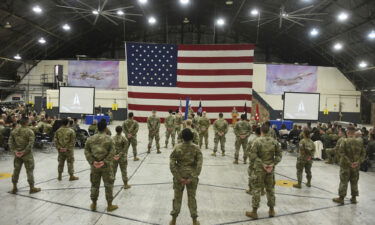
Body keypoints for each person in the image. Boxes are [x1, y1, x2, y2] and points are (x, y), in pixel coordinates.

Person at [246, 124, 282, 219]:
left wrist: (263, 164)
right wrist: (272, 164)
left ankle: (254, 212)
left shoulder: (257, 141)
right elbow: (279, 155)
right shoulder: (274, 142)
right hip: (270, 170)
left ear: (261, 131)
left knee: (257, 189)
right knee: (270, 190)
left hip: (259, 169)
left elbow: (253, 156)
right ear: (269, 131)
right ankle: (271, 210)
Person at [169, 128, 203, 225]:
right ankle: (194, 221)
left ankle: (173, 220)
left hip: (179, 176)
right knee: (192, 198)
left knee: (177, 198)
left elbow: (172, 164)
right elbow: (199, 165)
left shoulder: (177, 147)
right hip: (192, 177)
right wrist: (192, 178)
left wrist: (179, 177)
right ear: (192, 137)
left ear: (182, 137)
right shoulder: (196, 148)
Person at [84, 120, 118, 212]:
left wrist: (93, 162)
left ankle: (94, 204)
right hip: (106, 167)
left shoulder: (90, 139)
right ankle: (109, 205)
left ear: (97, 127)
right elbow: (113, 152)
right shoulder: (109, 139)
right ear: (105, 128)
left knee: (94, 185)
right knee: (108, 185)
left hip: (95, 166)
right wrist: (105, 162)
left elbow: (86, 151)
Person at [332, 126, 366, 204]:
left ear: (347, 132)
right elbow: (363, 153)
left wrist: (349, 163)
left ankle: (341, 198)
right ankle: (354, 198)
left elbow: (341, 153)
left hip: (346, 166)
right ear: (354, 133)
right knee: (354, 181)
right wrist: (358, 162)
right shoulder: (360, 141)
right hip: (356, 166)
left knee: (344, 181)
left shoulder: (344, 141)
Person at [9, 117, 41, 194]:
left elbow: (10, 142)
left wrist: (15, 151)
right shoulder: (30, 131)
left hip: (17, 154)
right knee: (29, 171)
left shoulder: (14, 131)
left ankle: (14, 187)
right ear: (26, 122)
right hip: (27, 155)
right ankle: (32, 188)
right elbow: (30, 144)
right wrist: (24, 152)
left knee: (16, 170)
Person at [246, 127, 261, 194]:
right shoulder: (267, 140)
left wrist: (251, 157)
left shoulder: (252, 140)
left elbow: (247, 151)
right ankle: (262, 191)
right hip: (264, 162)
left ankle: (251, 189)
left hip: (254, 161)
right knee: (262, 176)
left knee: (252, 174)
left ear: (255, 132)